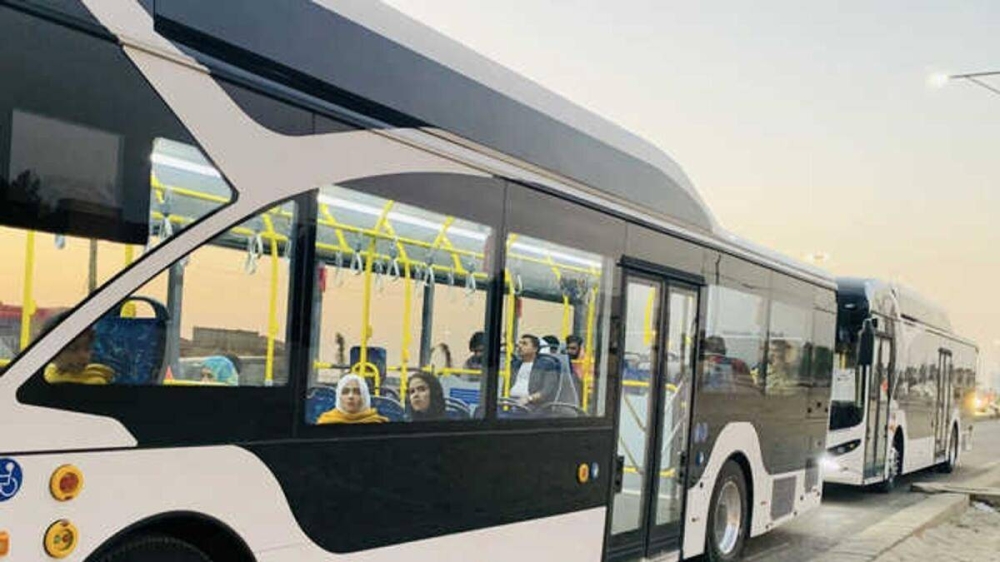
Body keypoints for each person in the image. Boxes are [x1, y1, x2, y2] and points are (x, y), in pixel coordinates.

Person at [43, 313, 114, 385]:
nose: (84, 356)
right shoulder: (46, 372)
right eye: (73, 349)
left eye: (87, 349)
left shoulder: (96, 382)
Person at [508, 334, 561, 409]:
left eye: (524, 344)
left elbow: (547, 390)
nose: (519, 346)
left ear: (535, 349)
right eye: (519, 343)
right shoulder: (515, 364)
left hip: (532, 405)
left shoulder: (547, 365)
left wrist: (529, 399)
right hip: (510, 402)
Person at [317, 373, 388, 424]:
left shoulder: (377, 421)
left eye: (357, 392)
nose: (350, 396)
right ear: (339, 397)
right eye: (345, 392)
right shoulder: (326, 421)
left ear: (364, 397)